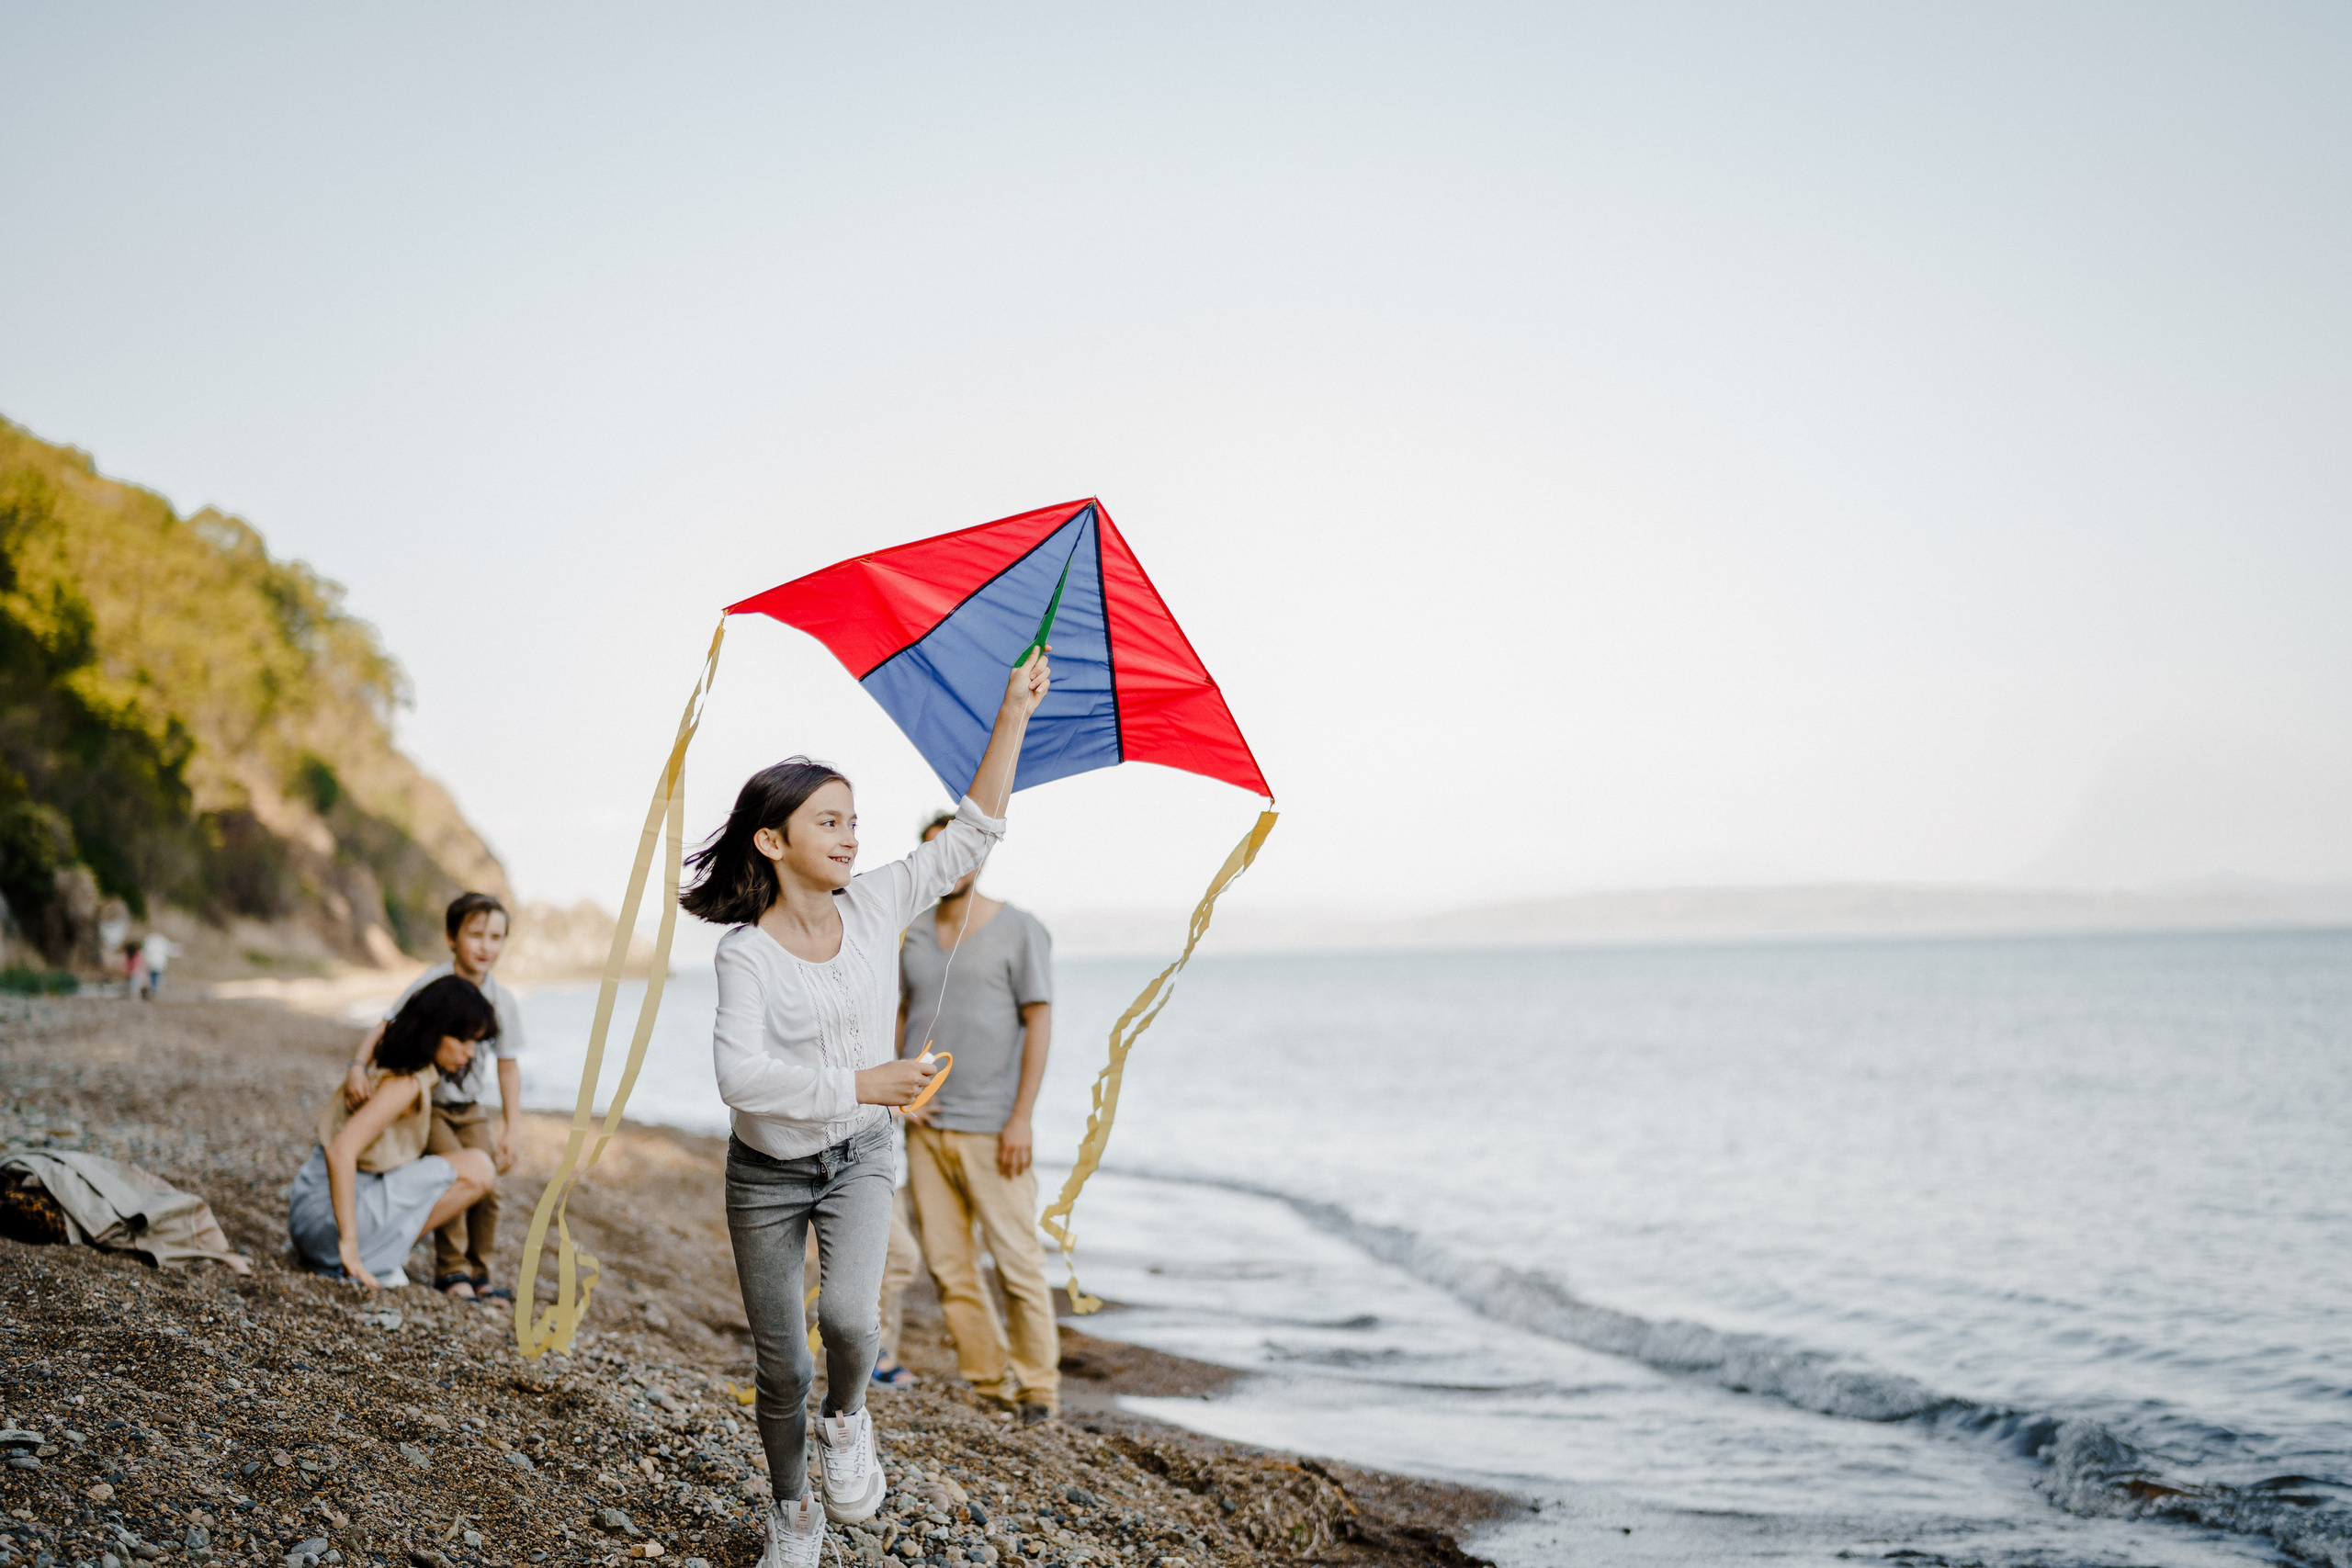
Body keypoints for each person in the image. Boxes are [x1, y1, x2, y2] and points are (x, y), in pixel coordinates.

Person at [684, 647, 1050, 1568]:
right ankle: (793, 1513)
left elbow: (970, 836)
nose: (851, 837)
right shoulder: (745, 954)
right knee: (782, 1366)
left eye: (855, 821)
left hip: (858, 1156)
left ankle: (849, 1421)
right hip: (765, 1173)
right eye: (829, 821)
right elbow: (740, 1077)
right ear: (772, 840)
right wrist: (866, 1083)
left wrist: (1012, 713)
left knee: (848, 1325)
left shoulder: (881, 899)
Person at [897, 811, 1059, 1421]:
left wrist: (1022, 1117)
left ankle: (1039, 1390)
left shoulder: (1019, 929)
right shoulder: (910, 932)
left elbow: (1039, 1021)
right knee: (947, 1265)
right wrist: (900, 1089)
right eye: (938, 853)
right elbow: (902, 1014)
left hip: (995, 1128)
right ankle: (989, 1384)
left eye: (961, 851)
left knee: (1018, 1262)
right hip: (926, 1128)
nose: (952, 865)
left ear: (979, 856)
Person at [343, 894, 524, 1301]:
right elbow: (386, 1026)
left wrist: (512, 1128)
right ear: (451, 938)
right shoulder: (431, 985)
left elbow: (508, 1067)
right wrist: (357, 1065)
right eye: (475, 935)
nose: (485, 946)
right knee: (453, 1175)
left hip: (471, 1108)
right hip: (431, 1105)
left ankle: (481, 1275)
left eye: (496, 937)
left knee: (489, 1188)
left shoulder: (503, 1001)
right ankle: (452, 1272)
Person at [288, 976, 501, 1288]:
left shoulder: (405, 1065)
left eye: (475, 1043)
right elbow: (341, 1150)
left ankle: (372, 1254)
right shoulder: (405, 1083)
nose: (470, 1053)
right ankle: (364, 1257)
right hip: (322, 1223)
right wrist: (348, 1244)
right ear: (435, 1030)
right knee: (479, 1168)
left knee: (455, 1171)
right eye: (462, 1040)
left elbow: (387, 1025)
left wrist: (357, 1064)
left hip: (313, 1220)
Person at [137, 931, 174, 999]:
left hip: (152, 963)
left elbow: (145, 952)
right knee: (156, 978)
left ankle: (152, 991)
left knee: (152, 978)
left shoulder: (149, 941)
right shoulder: (161, 942)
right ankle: (154, 992)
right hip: (159, 964)